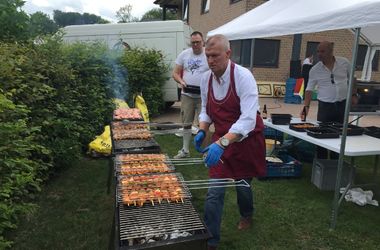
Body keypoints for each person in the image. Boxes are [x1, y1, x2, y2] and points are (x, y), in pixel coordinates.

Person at [194, 34, 266, 250]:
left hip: (245, 141)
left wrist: (222, 143)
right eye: (208, 56)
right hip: (221, 141)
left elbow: (248, 118)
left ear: (228, 54)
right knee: (215, 190)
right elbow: (206, 110)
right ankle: (211, 241)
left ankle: (247, 214)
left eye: (215, 56)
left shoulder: (244, 77)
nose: (211, 60)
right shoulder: (206, 79)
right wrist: (202, 129)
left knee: (243, 185)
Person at [300, 41, 358, 158]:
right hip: (325, 106)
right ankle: (322, 160)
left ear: (331, 51)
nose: (319, 54)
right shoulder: (315, 69)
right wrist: (306, 107)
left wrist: (353, 94)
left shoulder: (344, 62)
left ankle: (335, 160)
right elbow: (309, 89)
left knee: (339, 133)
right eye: (318, 51)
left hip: (342, 104)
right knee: (322, 133)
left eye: (323, 51)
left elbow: (353, 79)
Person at [172, 31, 209, 159]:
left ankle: (205, 152)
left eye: (198, 42)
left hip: (204, 96)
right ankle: (185, 150)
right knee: (186, 123)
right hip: (187, 95)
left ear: (203, 41)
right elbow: (175, 73)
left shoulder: (208, 54)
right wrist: (181, 81)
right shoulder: (184, 54)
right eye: (193, 42)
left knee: (204, 124)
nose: (195, 45)